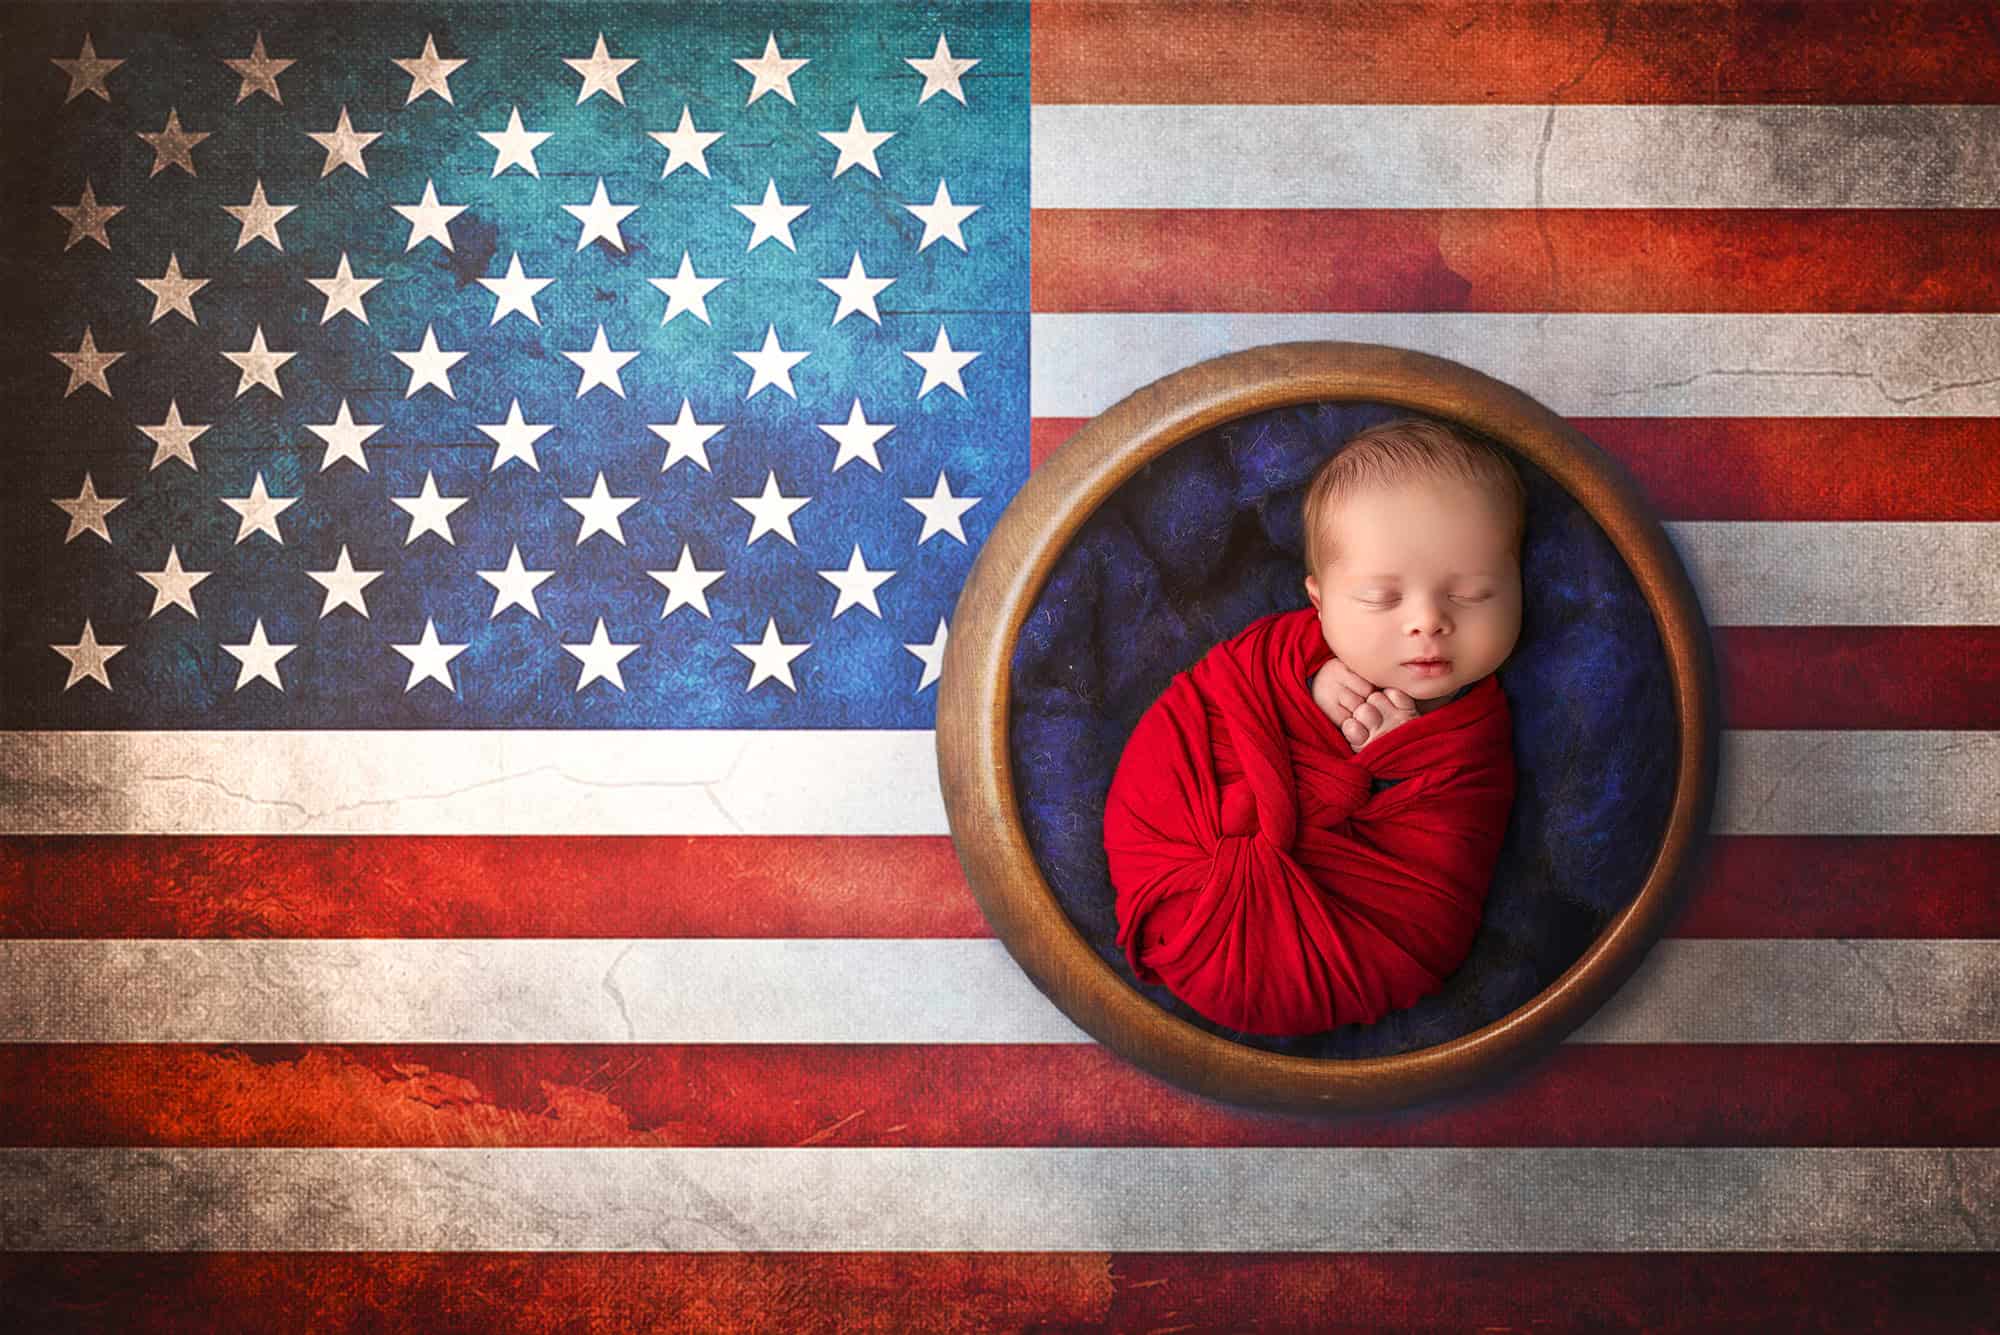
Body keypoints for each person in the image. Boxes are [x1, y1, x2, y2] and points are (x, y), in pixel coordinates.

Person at [1102, 416, 1528, 1037]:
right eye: (1382, 599)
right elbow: (1217, 699)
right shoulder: (1280, 658)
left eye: (1471, 594)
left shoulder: (1476, 736)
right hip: (1187, 865)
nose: (1428, 622)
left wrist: (1396, 768)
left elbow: (1449, 850)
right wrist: (1304, 693)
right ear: (1319, 601)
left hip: (1357, 938)